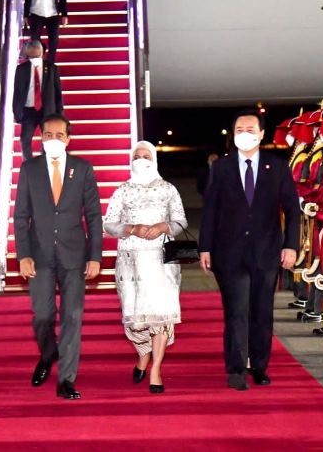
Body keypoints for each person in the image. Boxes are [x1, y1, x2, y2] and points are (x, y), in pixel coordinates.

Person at [199, 109, 299, 391]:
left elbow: (292, 210)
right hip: (229, 253)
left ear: (262, 134)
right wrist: (205, 247)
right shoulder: (221, 168)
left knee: (262, 311)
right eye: (239, 129)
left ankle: (260, 366)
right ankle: (236, 368)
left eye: (250, 129)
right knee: (236, 311)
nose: (245, 134)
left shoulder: (277, 166)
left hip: (267, 251)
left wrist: (291, 245)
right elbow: (210, 211)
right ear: (233, 135)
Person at [14, 113, 102, 400]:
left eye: (59, 135)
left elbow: (93, 216)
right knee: (42, 315)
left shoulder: (83, 169)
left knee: (72, 317)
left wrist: (95, 256)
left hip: (74, 254)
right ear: (41, 138)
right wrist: (23, 254)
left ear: (69, 139)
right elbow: (21, 215)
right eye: (48, 135)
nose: (53, 140)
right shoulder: (29, 169)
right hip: (38, 255)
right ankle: (48, 352)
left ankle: (66, 379)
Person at [103, 141, 187, 394]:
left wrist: (163, 227)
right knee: (134, 320)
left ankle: (156, 369)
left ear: (154, 159)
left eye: (146, 155)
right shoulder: (123, 190)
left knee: (161, 317)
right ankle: (143, 354)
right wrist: (131, 229)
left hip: (162, 261)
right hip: (131, 263)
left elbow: (181, 221)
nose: (141, 159)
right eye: (137, 156)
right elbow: (109, 224)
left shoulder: (168, 189)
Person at [13, 41, 62, 160]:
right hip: (29, 110)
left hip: (47, 110)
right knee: (25, 139)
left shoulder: (51, 68)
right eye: (31, 53)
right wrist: (16, 112)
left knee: (48, 139)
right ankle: (29, 165)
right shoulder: (21, 69)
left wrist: (60, 113)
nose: (34, 55)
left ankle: (45, 162)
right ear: (28, 53)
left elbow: (57, 92)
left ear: (41, 53)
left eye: (36, 52)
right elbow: (17, 92)